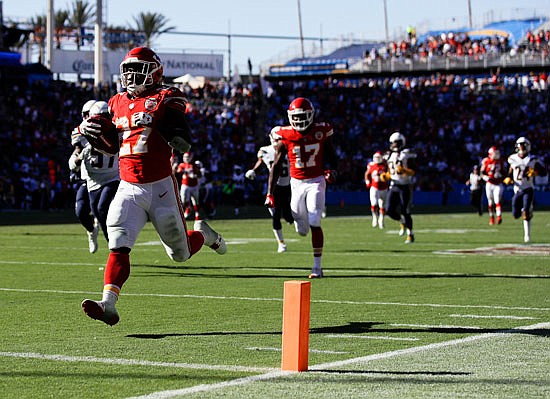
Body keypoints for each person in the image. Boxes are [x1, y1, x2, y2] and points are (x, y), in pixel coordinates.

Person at [79, 46, 226, 326]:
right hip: (128, 186)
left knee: (180, 254)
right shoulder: (115, 102)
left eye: (138, 70)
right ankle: (108, 304)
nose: (131, 76)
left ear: (155, 72)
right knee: (118, 244)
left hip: (160, 188)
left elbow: (179, 131)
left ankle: (204, 236)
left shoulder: (166, 97)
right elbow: (113, 146)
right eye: (128, 71)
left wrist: (166, 128)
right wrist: (96, 136)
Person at [266, 97, 336, 278]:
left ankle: (317, 267)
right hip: (296, 184)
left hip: (316, 181)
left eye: (303, 116)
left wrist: (331, 170)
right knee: (302, 230)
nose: (299, 120)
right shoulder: (285, 135)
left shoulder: (322, 131)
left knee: (315, 220)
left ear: (311, 115)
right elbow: (275, 165)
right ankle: (302, 227)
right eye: (296, 117)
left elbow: (332, 154)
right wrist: (269, 193)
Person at [70, 101, 120, 244]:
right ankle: (95, 233)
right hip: (91, 180)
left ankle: (114, 244)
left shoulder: (116, 130)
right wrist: (76, 162)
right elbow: (74, 158)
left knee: (102, 207)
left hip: (112, 176)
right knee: (89, 211)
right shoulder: (82, 133)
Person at [246, 133, 293, 253]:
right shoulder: (265, 150)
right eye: (276, 139)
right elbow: (261, 162)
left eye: (280, 139)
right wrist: (254, 170)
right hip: (274, 187)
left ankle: (291, 219)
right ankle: (281, 243)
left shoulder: (289, 148)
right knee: (276, 215)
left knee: (289, 217)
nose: (277, 141)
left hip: (290, 186)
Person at [69, 100, 99, 253]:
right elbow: (75, 154)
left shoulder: (111, 129)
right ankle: (91, 231)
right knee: (80, 211)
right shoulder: (81, 132)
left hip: (109, 179)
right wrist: (76, 161)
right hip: (88, 178)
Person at [504, 137, 547, 243]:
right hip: (517, 189)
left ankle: (527, 236)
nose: (521, 148)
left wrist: (536, 173)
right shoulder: (512, 158)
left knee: (526, 212)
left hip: (528, 188)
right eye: (520, 146)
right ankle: (526, 212)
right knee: (515, 214)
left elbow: (544, 172)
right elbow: (510, 170)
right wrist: (508, 177)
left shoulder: (532, 159)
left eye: (523, 146)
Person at [382, 132, 417, 243]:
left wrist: (404, 171)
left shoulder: (407, 154)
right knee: (388, 210)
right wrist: (386, 176)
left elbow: (413, 172)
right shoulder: (389, 155)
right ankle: (402, 221)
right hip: (394, 185)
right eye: (393, 143)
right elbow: (389, 172)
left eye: (396, 143)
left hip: (405, 185)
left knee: (405, 210)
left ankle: (410, 234)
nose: (394, 145)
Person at [480, 146, 506, 225]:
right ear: (490, 154)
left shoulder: (501, 161)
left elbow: (505, 172)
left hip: (498, 183)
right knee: (490, 202)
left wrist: (501, 175)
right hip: (489, 183)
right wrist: (485, 177)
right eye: (495, 153)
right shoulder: (486, 161)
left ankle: (499, 216)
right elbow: (481, 173)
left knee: (497, 199)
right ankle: (492, 218)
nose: (497, 155)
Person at [364, 151, 389, 229]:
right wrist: (367, 182)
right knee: (374, 204)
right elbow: (367, 174)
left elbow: (390, 173)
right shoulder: (371, 165)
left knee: (382, 206)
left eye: (379, 157)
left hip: (384, 188)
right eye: (376, 157)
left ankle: (381, 220)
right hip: (374, 188)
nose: (377, 159)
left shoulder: (385, 165)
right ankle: (374, 217)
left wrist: (387, 177)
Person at [175, 152, 202, 220]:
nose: (186, 158)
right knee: (183, 200)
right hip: (185, 185)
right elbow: (178, 172)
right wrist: (176, 169)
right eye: (185, 157)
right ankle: (188, 208)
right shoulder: (182, 165)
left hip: (194, 186)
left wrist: (195, 175)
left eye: (188, 157)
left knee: (196, 201)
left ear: (191, 157)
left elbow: (200, 175)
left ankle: (197, 215)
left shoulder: (195, 165)